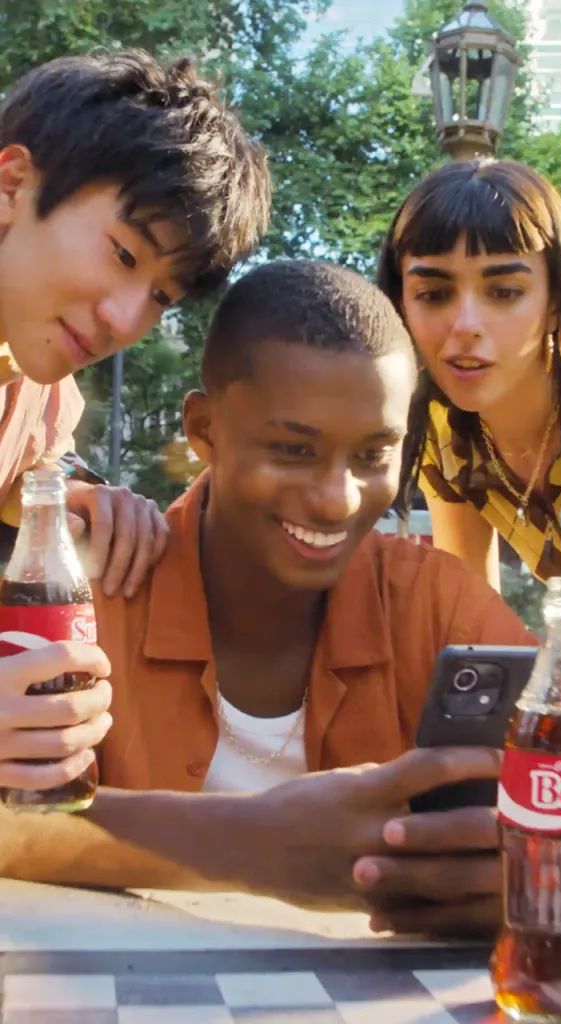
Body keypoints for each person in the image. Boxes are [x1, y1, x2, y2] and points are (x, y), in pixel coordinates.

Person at [0, 260, 538, 938]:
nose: (337, 497)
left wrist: (528, 872)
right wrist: (251, 843)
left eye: (374, 456)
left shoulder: (434, 603)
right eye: (292, 449)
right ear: (204, 431)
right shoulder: (89, 602)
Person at [0, 48, 271, 795]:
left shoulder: (42, 394)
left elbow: (35, 468)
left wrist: (78, 499)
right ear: (12, 184)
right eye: (123, 253)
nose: (126, 318)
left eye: (160, 297)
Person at [376, 158, 561, 592]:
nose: (466, 323)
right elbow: (471, 615)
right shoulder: (442, 429)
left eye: (505, 292)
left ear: (555, 301)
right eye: (433, 294)